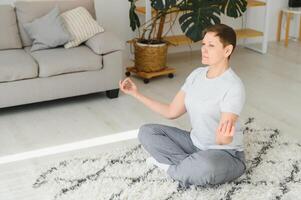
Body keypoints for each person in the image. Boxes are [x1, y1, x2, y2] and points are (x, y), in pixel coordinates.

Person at [119, 24, 246, 187]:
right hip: (194, 144)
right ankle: (186, 168)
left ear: (227, 51)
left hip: (225, 153)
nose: (204, 49)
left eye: (211, 45)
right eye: (203, 44)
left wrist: (225, 138)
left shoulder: (233, 86)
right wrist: (136, 94)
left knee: (207, 168)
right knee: (147, 132)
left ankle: (169, 168)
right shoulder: (197, 75)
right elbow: (171, 112)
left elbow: (223, 139)